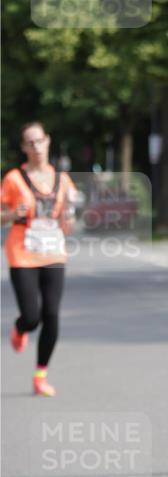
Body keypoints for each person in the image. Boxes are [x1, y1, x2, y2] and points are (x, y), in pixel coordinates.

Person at [1, 122, 77, 397]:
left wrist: (68, 215)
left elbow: (68, 226)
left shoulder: (63, 180)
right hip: (22, 253)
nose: (36, 146)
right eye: (30, 142)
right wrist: (13, 214)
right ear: (24, 147)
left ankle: (40, 375)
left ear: (48, 141)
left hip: (53, 251)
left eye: (40, 140)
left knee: (52, 315)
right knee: (33, 317)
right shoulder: (14, 179)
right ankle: (21, 327)